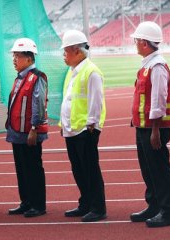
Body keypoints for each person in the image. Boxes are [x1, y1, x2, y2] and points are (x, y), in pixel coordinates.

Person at [129, 21, 170, 228]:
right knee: (148, 169)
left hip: (153, 128)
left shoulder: (157, 66)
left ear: (146, 43)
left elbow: (158, 99)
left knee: (159, 169)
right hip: (143, 126)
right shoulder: (148, 64)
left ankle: (168, 211)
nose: (135, 43)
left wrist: (155, 130)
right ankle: (154, 205)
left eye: (137, 40)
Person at [60, 30, 107, 222]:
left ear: (76, 51)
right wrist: (63, 124)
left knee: (90, 169)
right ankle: (85, 203)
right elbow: (69, 100)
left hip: (85, 130)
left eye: (66, 51)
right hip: (72, 129)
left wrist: (92, 125)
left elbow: (96, 102)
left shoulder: (91, 72)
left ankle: (98, 207)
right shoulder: (72, 72)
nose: (64, 55)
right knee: (78, 169)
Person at [5, 38, 48, 218]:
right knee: (22, 169)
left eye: (18, 56)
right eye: (14, 56)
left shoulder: (37, 77)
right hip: (17, 131)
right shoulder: (20, 78)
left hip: (29, 132)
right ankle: (26, 202)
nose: (14, 59)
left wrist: (34, 128)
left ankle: (38, 205)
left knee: (33, 169)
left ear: (29, 58)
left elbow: (38, 103)